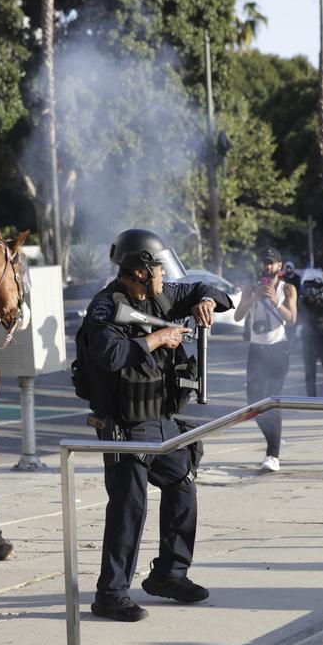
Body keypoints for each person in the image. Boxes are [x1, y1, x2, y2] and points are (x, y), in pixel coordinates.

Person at [75, 229, 231, 622]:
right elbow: (110, 354)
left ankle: (169, 574)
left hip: (160, 418)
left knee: (182, 483)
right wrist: (159, 337)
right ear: (141, 271)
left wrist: (207, 301)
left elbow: (210, 290)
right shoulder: (105, 306)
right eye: (157, 266)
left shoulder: (163, 295)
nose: (163, 272)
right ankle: (110, 594)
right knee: (129, 506)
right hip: (125, 424)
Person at [233, 248, 298, 473]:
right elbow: (237, 316)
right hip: (256, 350)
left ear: (279, 266)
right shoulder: (251, 288)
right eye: (265, 263)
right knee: (253, 404)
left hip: (278, 349)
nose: (268, 267)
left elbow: (291, 319)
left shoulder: (287, 288)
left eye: (272, 263)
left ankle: (273, 454)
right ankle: (275, 438)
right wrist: (253, 298)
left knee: (271, 401)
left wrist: (274, 301)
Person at [299, 275, 323, 398]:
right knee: (310, 374)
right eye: (309, 289)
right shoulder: (304, 303)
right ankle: (311, 399)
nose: (311, 292)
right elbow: (301, 312)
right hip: (309, 341)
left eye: (314, 289)